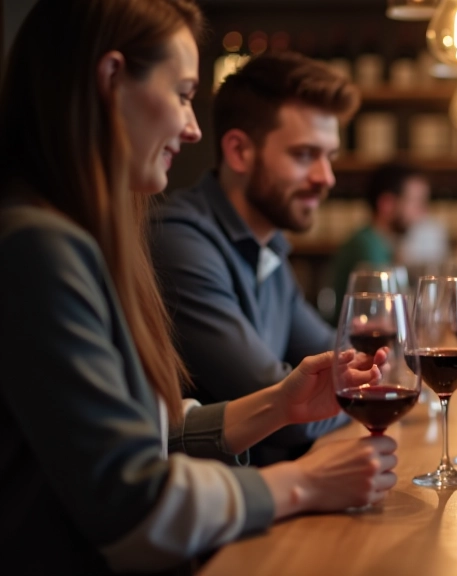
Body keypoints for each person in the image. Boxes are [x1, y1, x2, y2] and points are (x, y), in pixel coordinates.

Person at [0, 1, 397, 573]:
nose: (191, 128)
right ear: (111, 79)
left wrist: (280, 403)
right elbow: (132, 507)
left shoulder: (83, 236)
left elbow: (149, 429)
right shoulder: (38, 245)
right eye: (184, 93)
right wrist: (302, 484)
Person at [150, 51, 357, 465]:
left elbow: (341, 358)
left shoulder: (270, 247)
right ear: (240, 151)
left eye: (329, 157)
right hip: (214, 515)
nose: (326, 178)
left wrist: (359, 385)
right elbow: (286, 410)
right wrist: (359, 398)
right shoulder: (179, 241)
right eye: (304, 155)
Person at [330, 162, 431, 320]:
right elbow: (385, 316)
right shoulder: (366, 247)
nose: (423, 211)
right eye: (416, 201)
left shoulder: (381, 242)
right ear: (387, 204)